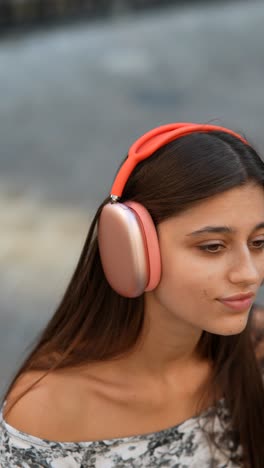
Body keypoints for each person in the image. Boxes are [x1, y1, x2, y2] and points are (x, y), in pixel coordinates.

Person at [0, 122, 264, 467]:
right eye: (212, 246)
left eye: (259, 243)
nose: (249, 273)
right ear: (132, 249)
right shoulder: (47, 408)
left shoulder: (255, 347)